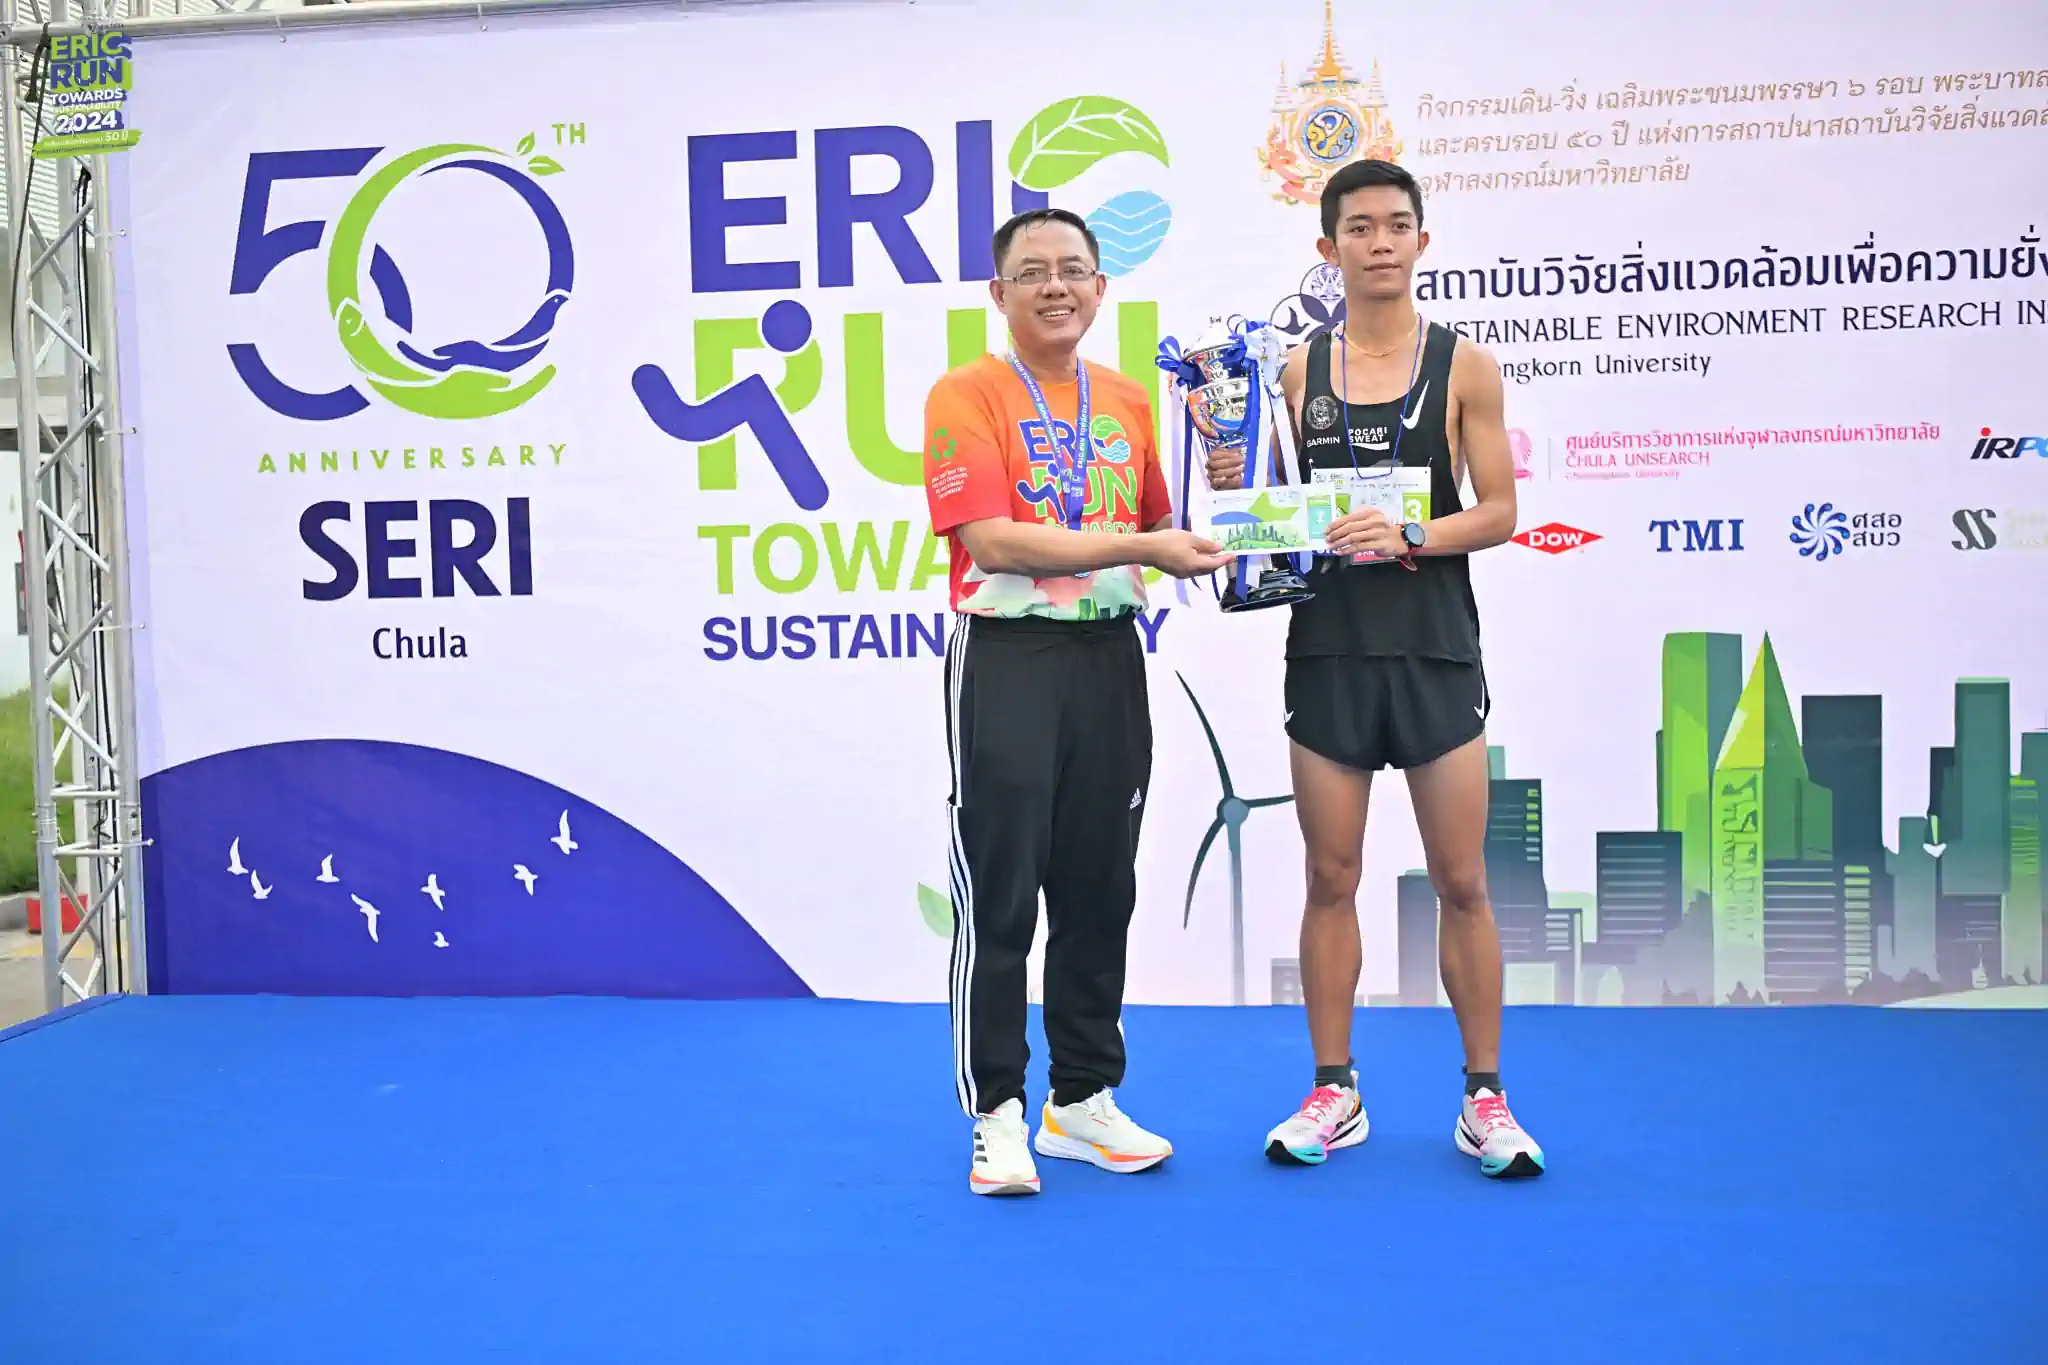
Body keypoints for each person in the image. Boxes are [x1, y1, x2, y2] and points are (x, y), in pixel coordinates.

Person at [1207, 159, 1545, 1178]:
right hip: (1330, 650)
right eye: (1359, 228)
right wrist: (1231, 476)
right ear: (1329, 250)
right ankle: (1333, 1089)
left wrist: (1412, 532)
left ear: (1421, 241)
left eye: (1397, 224)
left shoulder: (1466, 366)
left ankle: (1484, 1098)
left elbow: (1500, 510)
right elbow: (1275, 508)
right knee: (1329, 875)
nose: (1380, 242)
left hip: (1435, 648)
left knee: (1461, 880)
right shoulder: (1295, 371)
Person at [922, 207, 1233, 1197]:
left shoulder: (1129, 399)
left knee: (1100, 889)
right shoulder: (965, 393)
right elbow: (994, 541)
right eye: (1032, 271)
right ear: (998, 292)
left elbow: (1161, 522)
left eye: (1073, 269)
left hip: (1108, 655)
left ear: (1100, 287)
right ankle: (997, 1113)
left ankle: (1082, 1098)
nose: (1054, 286)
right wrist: (1144, 546)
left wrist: (1231, 472)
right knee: (1003, 889)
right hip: (1008, 654)